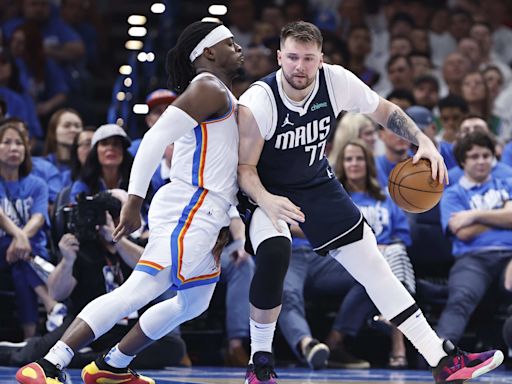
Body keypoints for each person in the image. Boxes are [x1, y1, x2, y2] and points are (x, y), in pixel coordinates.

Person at [237, 21, 503, 384]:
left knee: (374, 264)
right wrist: (267, 200)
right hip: (264, 187)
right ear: (279, 56)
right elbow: (245, 169)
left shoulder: (336, 81)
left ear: (321, 60)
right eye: (293, 58)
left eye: (308, 59)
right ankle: (260, 363)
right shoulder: (259, 101)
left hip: (315, 182)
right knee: (275, 252)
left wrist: (422, 140)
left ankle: (441, 359)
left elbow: (384, 111)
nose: (300, 67)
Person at [16, 20, 243, 384]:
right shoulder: (208, 86)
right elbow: (154, 139)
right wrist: (133, 201)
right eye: (230, 43)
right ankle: (48, 364)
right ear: (209, 52)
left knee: (195, 302)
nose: (239, 48)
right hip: (191, 205)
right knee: (140, 289)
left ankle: (113, 365)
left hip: (208, 210)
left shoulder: (220, 93)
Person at [439, 130, 512, 344]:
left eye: (486, 156)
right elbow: (463, 232)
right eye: (474, 156)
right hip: (473, 258)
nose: (481, 161)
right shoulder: (453, 194)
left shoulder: (506, 184)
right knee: (461, 298)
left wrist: (474, 215)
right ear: (463, 161)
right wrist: (500, 215)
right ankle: (441, 356)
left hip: (509, 255)